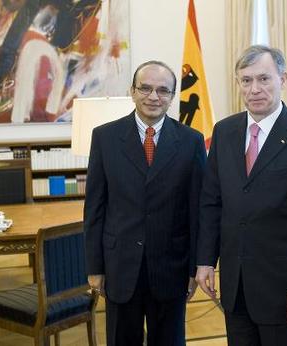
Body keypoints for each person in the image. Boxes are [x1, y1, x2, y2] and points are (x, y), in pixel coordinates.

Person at [195, 45, 287, 345]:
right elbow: (212, 202)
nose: (254, 89)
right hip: (235, 286)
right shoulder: (224, 131)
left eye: (264, 79)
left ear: (283, 79)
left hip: (284, 291)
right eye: (246, 80)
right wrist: (206, 260)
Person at [84, 60, 206, 346]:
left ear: (173, 96)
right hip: (120, 266)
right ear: (132, 91)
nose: (154, 97)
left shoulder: (192, 141)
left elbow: (197, 211)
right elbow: (95, 209)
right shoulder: (105, 137)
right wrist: (94, 267)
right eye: (146, 88)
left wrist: (193, 269)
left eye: (163, 90)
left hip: (171, 268)